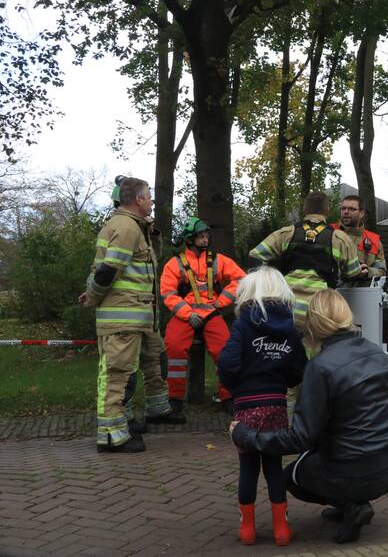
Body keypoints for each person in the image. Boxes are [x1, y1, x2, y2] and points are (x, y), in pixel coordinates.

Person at [231, 288, 388, 545]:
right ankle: (351, 503)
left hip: (352, 469)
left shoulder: (320, 367)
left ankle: (351, 505)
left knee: (290, 478)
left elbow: (299, 438)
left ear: (313, 323)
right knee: (332, 451)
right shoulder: (376, 353)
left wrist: (246, 435)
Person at [79, 176, 185, 453]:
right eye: (148, 196)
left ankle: (128, 423)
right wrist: (92, 298)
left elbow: (139, 267)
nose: (152, 200)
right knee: (117, 375)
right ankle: (111, 436)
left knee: (140, 366)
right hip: (122, 318)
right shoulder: (126, 227)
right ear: (138, 200)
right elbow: (107, 271)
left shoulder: (134, 227)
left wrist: (153, 236)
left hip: (136, 317)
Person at [218, 267, 307, 546]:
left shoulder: (243, 325)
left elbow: (227, 364)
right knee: (273, 465)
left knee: (248, 467)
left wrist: (236, 387)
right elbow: (299, 369)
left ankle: (247, 529)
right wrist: (283, 380)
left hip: (246, 405)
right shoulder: (290, 329)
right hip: (276, 405)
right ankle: (281, 529)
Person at [160, 217, 246, 415]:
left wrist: (220, 302)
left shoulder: (218, 260)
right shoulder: (174, 264)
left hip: (211, 313)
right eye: (201, 236)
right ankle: (174, 399)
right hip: (185, 314)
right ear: (190, 239)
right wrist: (188, 314)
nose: (205, 239)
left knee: (225, 349)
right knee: (174, 346)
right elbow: (168, 293)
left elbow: (241, 279)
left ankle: (229, 396)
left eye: (207, 236)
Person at [248, 192, 363, 330]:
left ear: (304, 209)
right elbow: (352, 273)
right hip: (319, 311)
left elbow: (254, 257)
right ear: (327, 210)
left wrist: (269, 283)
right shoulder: (340, 239)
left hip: (285, 307)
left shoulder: (286, 233)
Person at [330, 194, 386, 278]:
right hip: (332, 285)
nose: (346, 212)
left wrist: (368, 271)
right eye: (343, 208)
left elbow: (381, 271)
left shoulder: (374, 240)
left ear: (361, 213)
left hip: (361, 286)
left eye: (351, 209)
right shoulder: (328, 232)